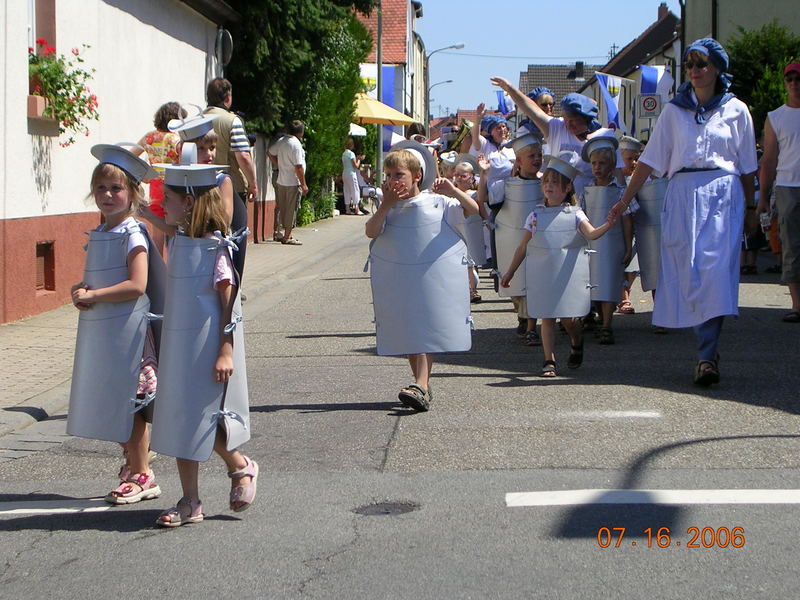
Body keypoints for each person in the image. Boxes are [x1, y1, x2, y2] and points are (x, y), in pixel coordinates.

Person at [609, 38, 757, 386]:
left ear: (718, 68)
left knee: (715, 272)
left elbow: (748, 166)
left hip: (723, 193)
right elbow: (649, 160)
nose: (695, 70)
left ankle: (707, 354)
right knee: (688, 271)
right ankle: (705, 346)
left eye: (702, 64)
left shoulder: (737, 110)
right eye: (690, 64)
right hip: (681, 193)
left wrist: (753, 208)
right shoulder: (674, 112)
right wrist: (624, 199)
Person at [150, 163, 256, 527]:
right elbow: (165, 226)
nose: (163, 205)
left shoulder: (215, 251)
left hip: (208, 348)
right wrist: (140, 208)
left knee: (202, 420)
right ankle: (190, 501)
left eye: (169, 199)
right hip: (180, 348)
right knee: (182, 419)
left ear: (190, 202)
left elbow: (228, 303)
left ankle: (240, 466)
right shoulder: (179, 240)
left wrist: (225, 349)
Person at [67, 143, 164, 505]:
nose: (108, 195)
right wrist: (83, 290)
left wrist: (94, 296)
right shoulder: (101, 231)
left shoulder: (132, 233)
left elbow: (137, 285)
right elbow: (100, 278)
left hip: (130, 333)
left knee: (131, 404)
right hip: (107, 331)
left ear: (133, 194)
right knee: (113, 398)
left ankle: (142, 474)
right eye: (102, 188)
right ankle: (134, 462)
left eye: (116, 188)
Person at [366, 140, 479, 411]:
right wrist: (386, 205)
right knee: (409, 329)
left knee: (425, 326)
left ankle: (421, 384)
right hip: (400, 278)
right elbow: (371, 231)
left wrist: (452, 189)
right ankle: (421, 385)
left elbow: (472, 210)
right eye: (390, 176)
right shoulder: (389, 206)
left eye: (399, 175)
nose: (393, 181)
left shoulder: (437, 202)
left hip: (430, 277)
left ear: (417, 176)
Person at [501, 152, 616, 377]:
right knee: (547, 315)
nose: (549, 186)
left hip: (567, 274)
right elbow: (523, 246)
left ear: (567, 188)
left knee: (568, 319)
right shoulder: (535, 214)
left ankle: (577, 339)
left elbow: (591, 234)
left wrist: (608, 224)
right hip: (543, 273)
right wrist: (510, 272)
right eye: (546, 182)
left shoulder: (575, 214)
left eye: (555, 183)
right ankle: (549, 360)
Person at [479, 132, 544, 345]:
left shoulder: (547, 183)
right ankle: (523, 317)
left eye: (539, 155)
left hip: (538, 244)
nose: (536, 160)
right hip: (511, 243)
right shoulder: (506, 185)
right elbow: (484, 199)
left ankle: (532, 327)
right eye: (531, 156)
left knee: (534, 282)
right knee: (517, 286)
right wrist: (484, 174)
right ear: (518, 161)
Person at [580, 133, 632, 345]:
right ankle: (599, 319)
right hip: (591, 243)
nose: (597, 168)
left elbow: (628, 219)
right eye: (594, 163)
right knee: (594, 282)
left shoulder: (620, 191)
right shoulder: (587, 191)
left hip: (613, 243)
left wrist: (628, 246)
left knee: (609, 282)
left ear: (611, 165)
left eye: (602, 163)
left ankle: (607, 325)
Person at [758, 61, 800, 323]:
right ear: (785, 83)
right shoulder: (776, 117)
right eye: (790, 80)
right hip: (788, 187)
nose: (795, 84)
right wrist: (762, 197)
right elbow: (769, 160)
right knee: (792, 246)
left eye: (799, 79)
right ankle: (797, 305)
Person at [203, 78, 258, 276]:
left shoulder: (198, 120)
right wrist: (253, 184)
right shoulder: (232, 121)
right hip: (231, 187)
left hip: (202, 187)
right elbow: (243, 155)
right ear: (227, 98)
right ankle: (233, 284)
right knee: (235, 236)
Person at [451, 155, 486, 302]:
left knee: (470, 262)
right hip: (456, 231)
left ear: (471, 177)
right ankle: (466, 289)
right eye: (457, 175)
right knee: (461, 262)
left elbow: (482, 209)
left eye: (463, 175)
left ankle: (472, 290)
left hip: (471, 232)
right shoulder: (450, 193)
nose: (459, 178)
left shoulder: (474, 194)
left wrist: (489, 223)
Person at [617, 135, 644, 314]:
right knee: (620, 262)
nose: (634, 162)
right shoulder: (616, 181)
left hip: (635, 228)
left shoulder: (641, 179)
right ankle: (623, 296)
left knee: (633, 265)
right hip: (618, 229)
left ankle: (626, 291)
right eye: (629, 159)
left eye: (637, 158)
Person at [269, 120, 308, 245]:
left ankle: (279, 233)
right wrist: (303, 184)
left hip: (281, 180)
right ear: (301, 132)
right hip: (293, 182)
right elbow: (298, 167)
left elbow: (270, 152)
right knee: (291, 209)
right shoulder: (295, 144)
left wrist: (279, 165)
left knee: (282, 207)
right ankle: (287, 236)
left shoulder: (282, 141)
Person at [342, 138, 364, 215]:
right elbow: (356, 166)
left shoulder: (344, 154)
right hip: (351, 173)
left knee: (347, 190)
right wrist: (359, 160)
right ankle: (357, 209)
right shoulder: (351, 154)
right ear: (352, 145)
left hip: (345, 173)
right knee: (355, 190)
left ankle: (347, 209)